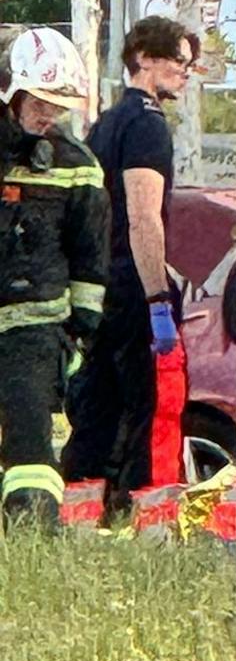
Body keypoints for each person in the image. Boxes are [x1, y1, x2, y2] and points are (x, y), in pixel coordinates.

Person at [63, 17, 194, 501]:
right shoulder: (147, 125)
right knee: (152, 406)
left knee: (97, 404)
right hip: (134, 286)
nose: (187, 71)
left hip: (101, 283)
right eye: (179, 60)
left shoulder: (105, 123)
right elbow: (144, 217)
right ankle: (149, 518)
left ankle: (80, 512)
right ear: (144, 58)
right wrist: (158, 297)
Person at [0, 31, 107, 523]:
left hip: (36, 329)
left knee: (30, 439)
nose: (49, 116)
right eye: (42, 102)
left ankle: (30, 533)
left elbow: (90, 254)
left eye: (60, 107)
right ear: (15, 93)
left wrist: (79, 330)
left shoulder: (77, 167)